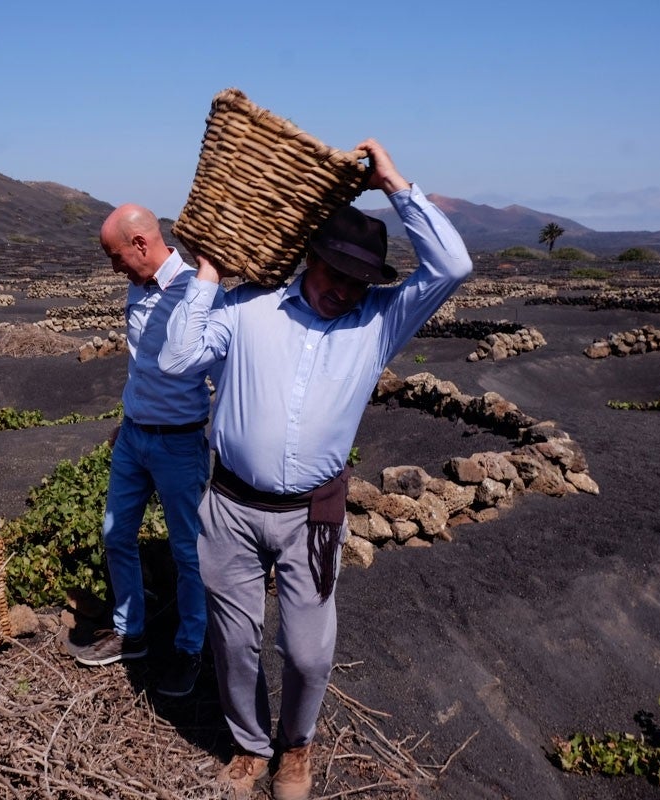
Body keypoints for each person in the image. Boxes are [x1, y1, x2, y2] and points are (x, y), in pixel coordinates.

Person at [159, 139, 472, 799]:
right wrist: (208, 277)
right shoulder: (248, 309)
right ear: (310, 258)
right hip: (231, 508)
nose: (342, 290)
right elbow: (177, 360)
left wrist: (393, 182)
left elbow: (453, 264)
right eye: (334, 273)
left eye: (357, 280)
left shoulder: (379, 322)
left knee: (307, 651)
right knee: (235, 643)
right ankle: (249, 748)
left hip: (313, 514)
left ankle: (295, 747)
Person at [72, 203, 220, 698]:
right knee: (116, 533)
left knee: (188, 551)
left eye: (116, 256)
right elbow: (141, 368)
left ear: (140, 244)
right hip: (134, 436)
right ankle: (129, 632)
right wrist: (126, 421)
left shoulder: (198, 289)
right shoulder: (135, 289)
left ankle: (190, 647)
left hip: (179, 442)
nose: (114, 268)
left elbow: (220, 370)